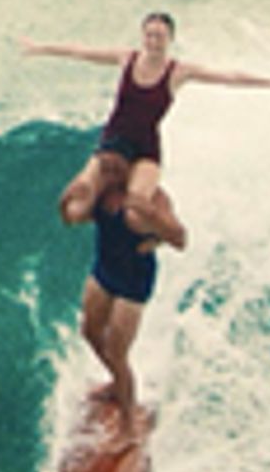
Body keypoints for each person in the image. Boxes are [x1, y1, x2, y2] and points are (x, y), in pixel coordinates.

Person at [22, 12, 270, 236]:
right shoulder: (126, 58)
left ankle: (160, 232)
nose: (154, 40)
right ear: (143, 36)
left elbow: (230, 77)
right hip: (112, 142)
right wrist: (40, 48)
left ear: (170, 39)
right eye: (149, 34)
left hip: (146, 150)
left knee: (134, 215)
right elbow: (80, 52)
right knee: (74, 210)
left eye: (160, 36)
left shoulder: (178, 72)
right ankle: (103, 205)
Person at [71, 140, 186, 444]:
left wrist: (154, 222)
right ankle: (117, 383)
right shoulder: (99, 194)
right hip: (105, 269)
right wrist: (71, 194)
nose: (106, 173)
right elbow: (70, 217)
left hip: (133, 279)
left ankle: (129, 426)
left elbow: (180, 238)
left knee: (117, 352)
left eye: (113, 168)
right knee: (90, 332)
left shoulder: (153, 197)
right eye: (103, 168)